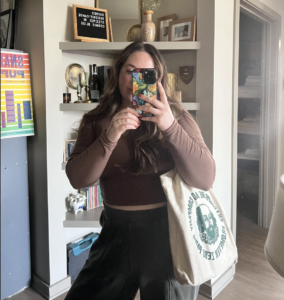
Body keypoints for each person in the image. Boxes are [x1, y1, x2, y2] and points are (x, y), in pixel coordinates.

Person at [64, 41, 216, 300]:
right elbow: (78, 178)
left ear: (157, 79)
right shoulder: (96, 120)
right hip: (114, 233)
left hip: (168, 236)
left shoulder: (177, 117)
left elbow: (205, 178)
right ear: (117, 72)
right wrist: (110, 136)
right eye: (130, 71)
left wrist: (169, 126)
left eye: (146, 73)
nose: (136, 80)